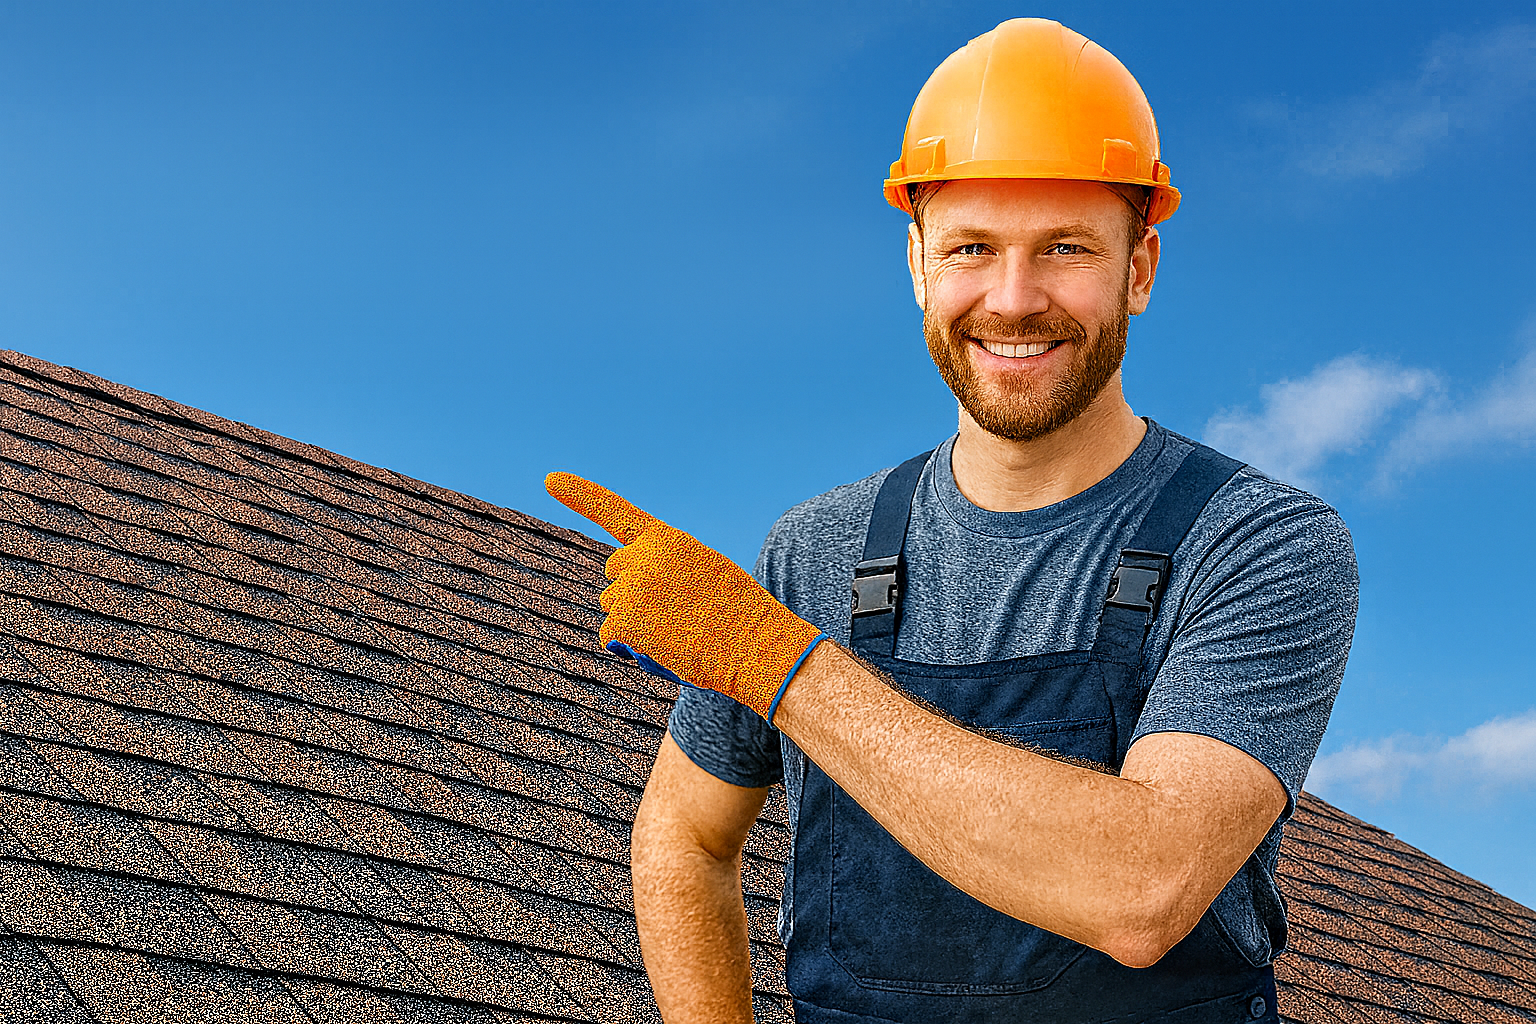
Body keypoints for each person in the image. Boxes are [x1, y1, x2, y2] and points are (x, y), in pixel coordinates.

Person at [548, 17, 1357, 1024]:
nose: (1013, 300)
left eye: (1065, 248)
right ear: (919, 263)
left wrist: (775, 662)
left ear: (1140, 268)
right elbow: (682, 836)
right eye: (972, 247)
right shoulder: (815, 551)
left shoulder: (1255, 543)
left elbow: (1142, 889)